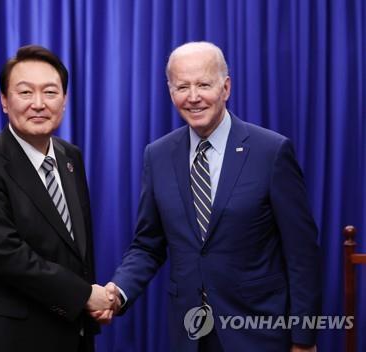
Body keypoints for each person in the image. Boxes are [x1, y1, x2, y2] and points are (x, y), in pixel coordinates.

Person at [99, 42, 321, 351]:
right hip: (190, 335)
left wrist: (303, 339)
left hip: (259, 332)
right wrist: (117, 291)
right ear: (170, 91)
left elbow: (302, 254)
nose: (193, 97)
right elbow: (148, 245)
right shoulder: (158, 155)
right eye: (182, 87)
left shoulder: (271, 152)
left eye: (203, 84)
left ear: (226, 87)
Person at [0, 45, 113, 352]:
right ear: (4, 100)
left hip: (69, 331)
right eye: (25, 92)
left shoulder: (70, 157)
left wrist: (88, 308)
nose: (38, 104)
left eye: (50, 92)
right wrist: (83, 295)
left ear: (64, 101)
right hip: (6, 338)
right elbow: (7, 255)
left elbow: (76, 250)